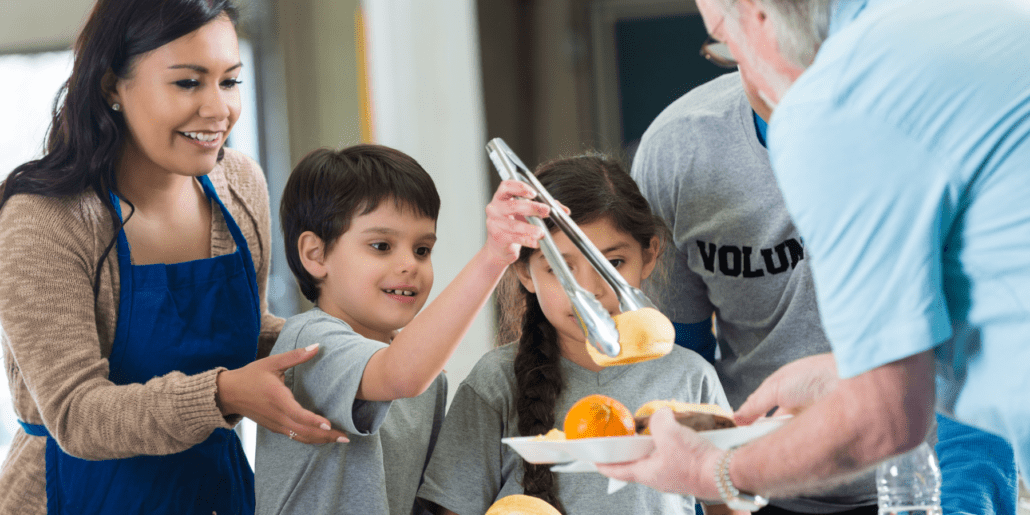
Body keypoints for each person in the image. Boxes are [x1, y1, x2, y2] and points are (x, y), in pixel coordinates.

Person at [598, 0, 1030, 508]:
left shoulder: (835, 102)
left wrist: (714, 472)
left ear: (759, 16)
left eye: (726, 41)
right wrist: (845, 373)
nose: (740, 73)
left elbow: (887, 418)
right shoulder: (992, 22)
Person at [0, 1, 348, 513]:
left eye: (229, 81)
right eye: (188, 83)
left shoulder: (238, 184)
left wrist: (347, 349)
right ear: (111, 85)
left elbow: (247, 331)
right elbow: (76, 414)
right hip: (73, 496)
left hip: (213, 492)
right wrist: (225, 394)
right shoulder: (43, 218)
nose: (218, 109)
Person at [416, 154, 733, 515]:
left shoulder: (690, 377)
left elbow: (728, 503)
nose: (589, 291)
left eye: (613, 263)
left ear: (648, 256)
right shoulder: (495, 382)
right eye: (560, 269)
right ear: (525, 273)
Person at [255, 144, 550, 515]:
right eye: (381, 246)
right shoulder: (309, 343)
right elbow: (400, 374)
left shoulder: (428, 379)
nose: (409, 265)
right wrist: (493, 257)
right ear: (315, 255)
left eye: (422, 250)